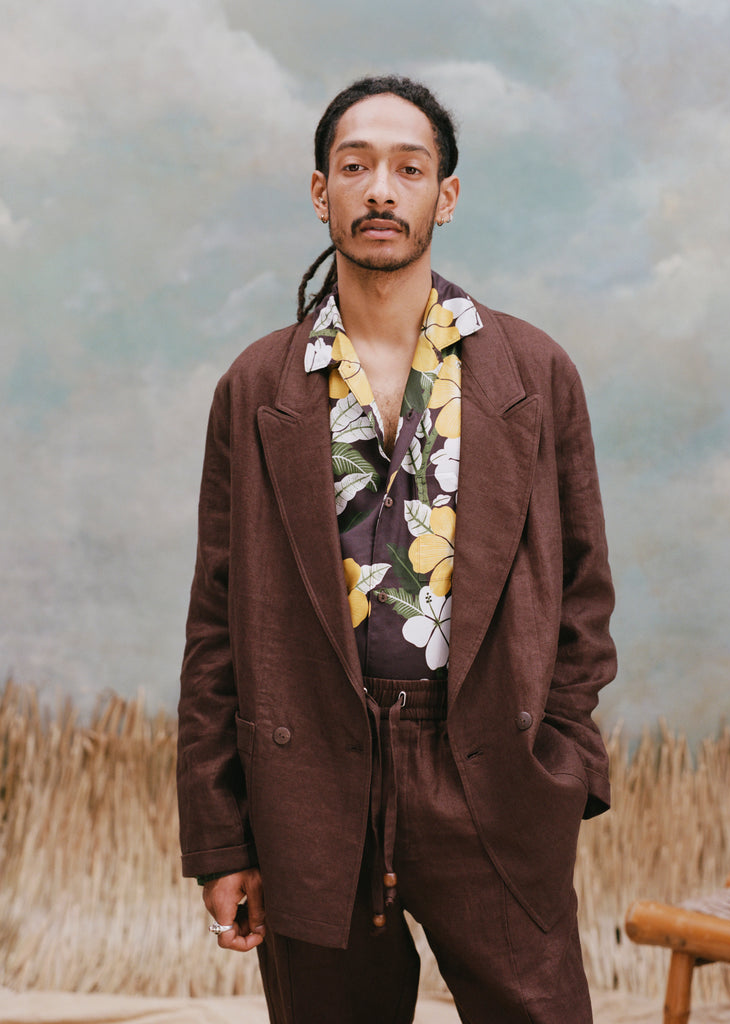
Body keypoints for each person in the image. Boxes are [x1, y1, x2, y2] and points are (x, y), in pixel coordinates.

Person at [177, 74, 616, 1024]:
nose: (381, 189)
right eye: (355, 166)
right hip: (308, 780)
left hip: (488, 769)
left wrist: (561, 759)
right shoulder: (255, 386)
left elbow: (584, 591)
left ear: (443, 197)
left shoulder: (532, 373)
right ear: (320, 191)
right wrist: (220, 837)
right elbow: (218, 621)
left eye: (407, 169)